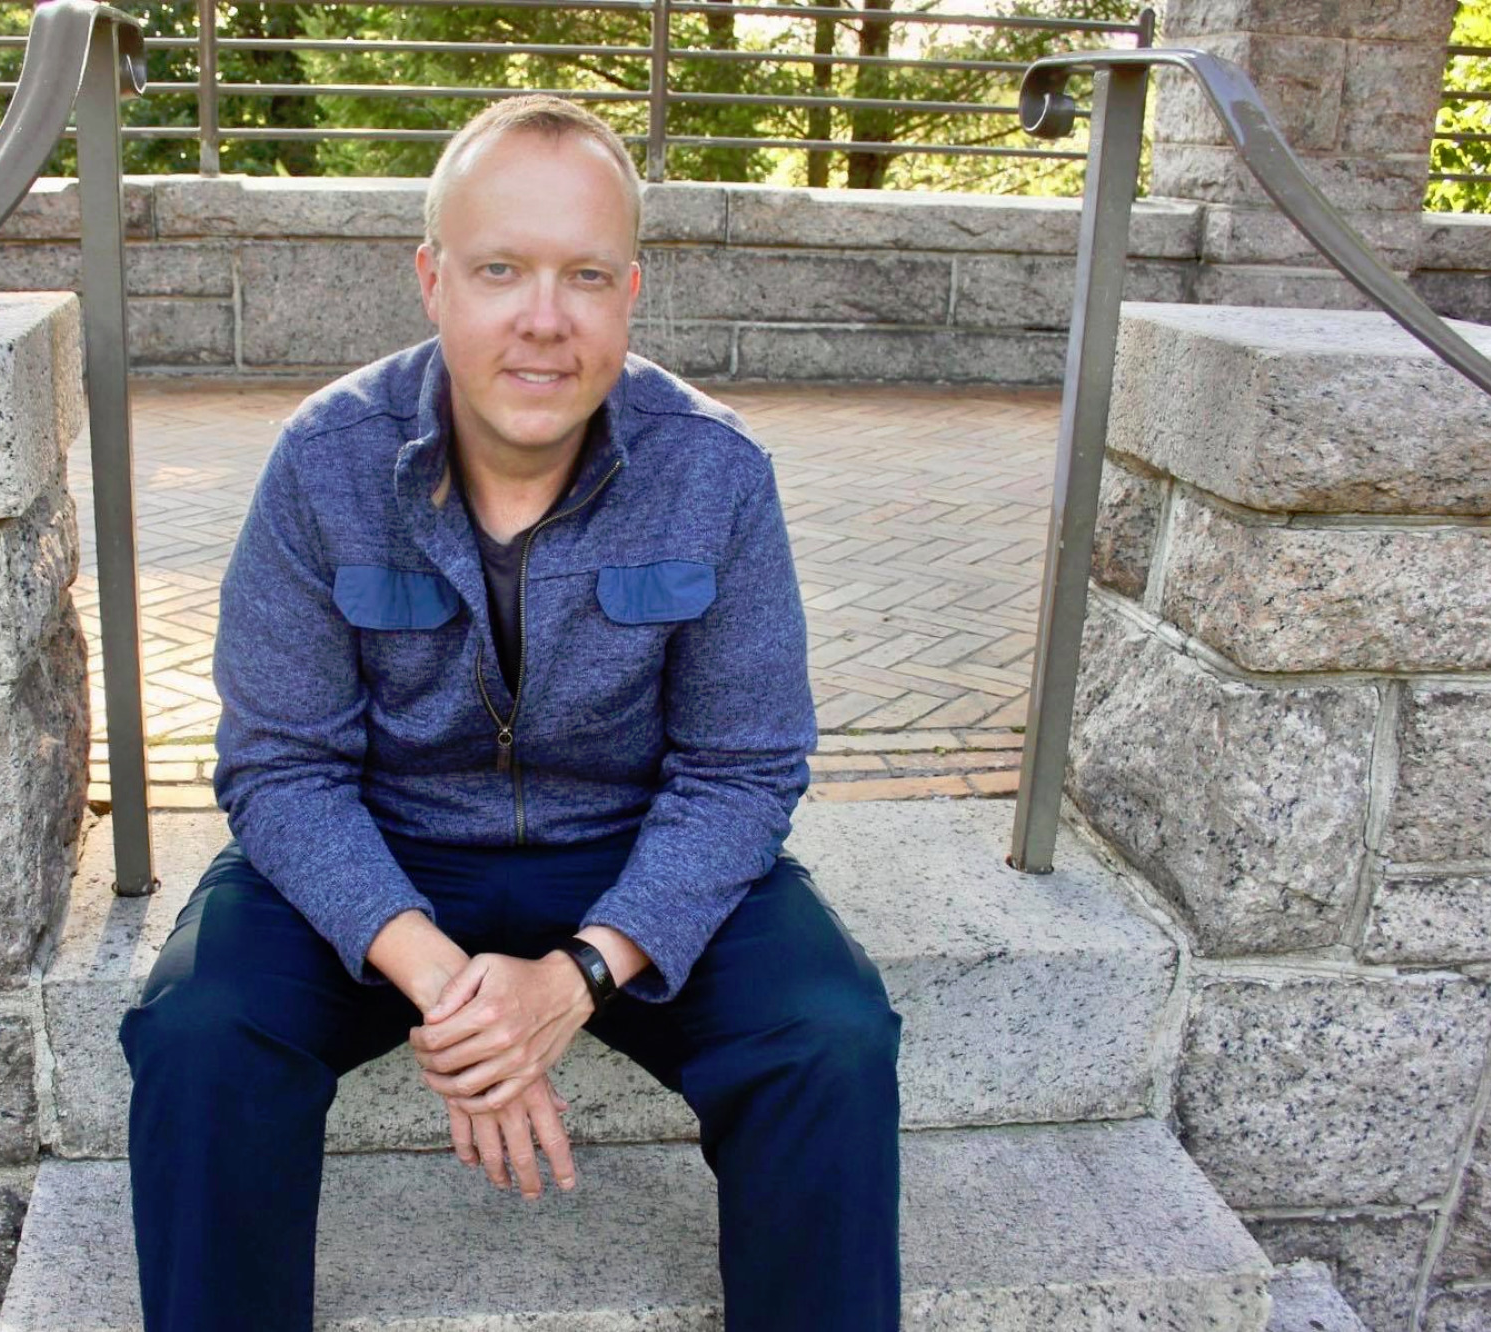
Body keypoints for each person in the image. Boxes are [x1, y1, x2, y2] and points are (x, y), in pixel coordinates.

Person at [116, 93, 905, 1332]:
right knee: (200, 1037)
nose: (544, 319)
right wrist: (456, 990)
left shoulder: (715, 472)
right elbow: (279, 767)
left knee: (832, 1038)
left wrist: (578, 976)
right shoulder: (323, 460)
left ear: (629, 293)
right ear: (431, 280)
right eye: (499, 270)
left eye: (584, 275)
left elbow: (742, 769)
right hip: (381, 848)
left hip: (627, 851)